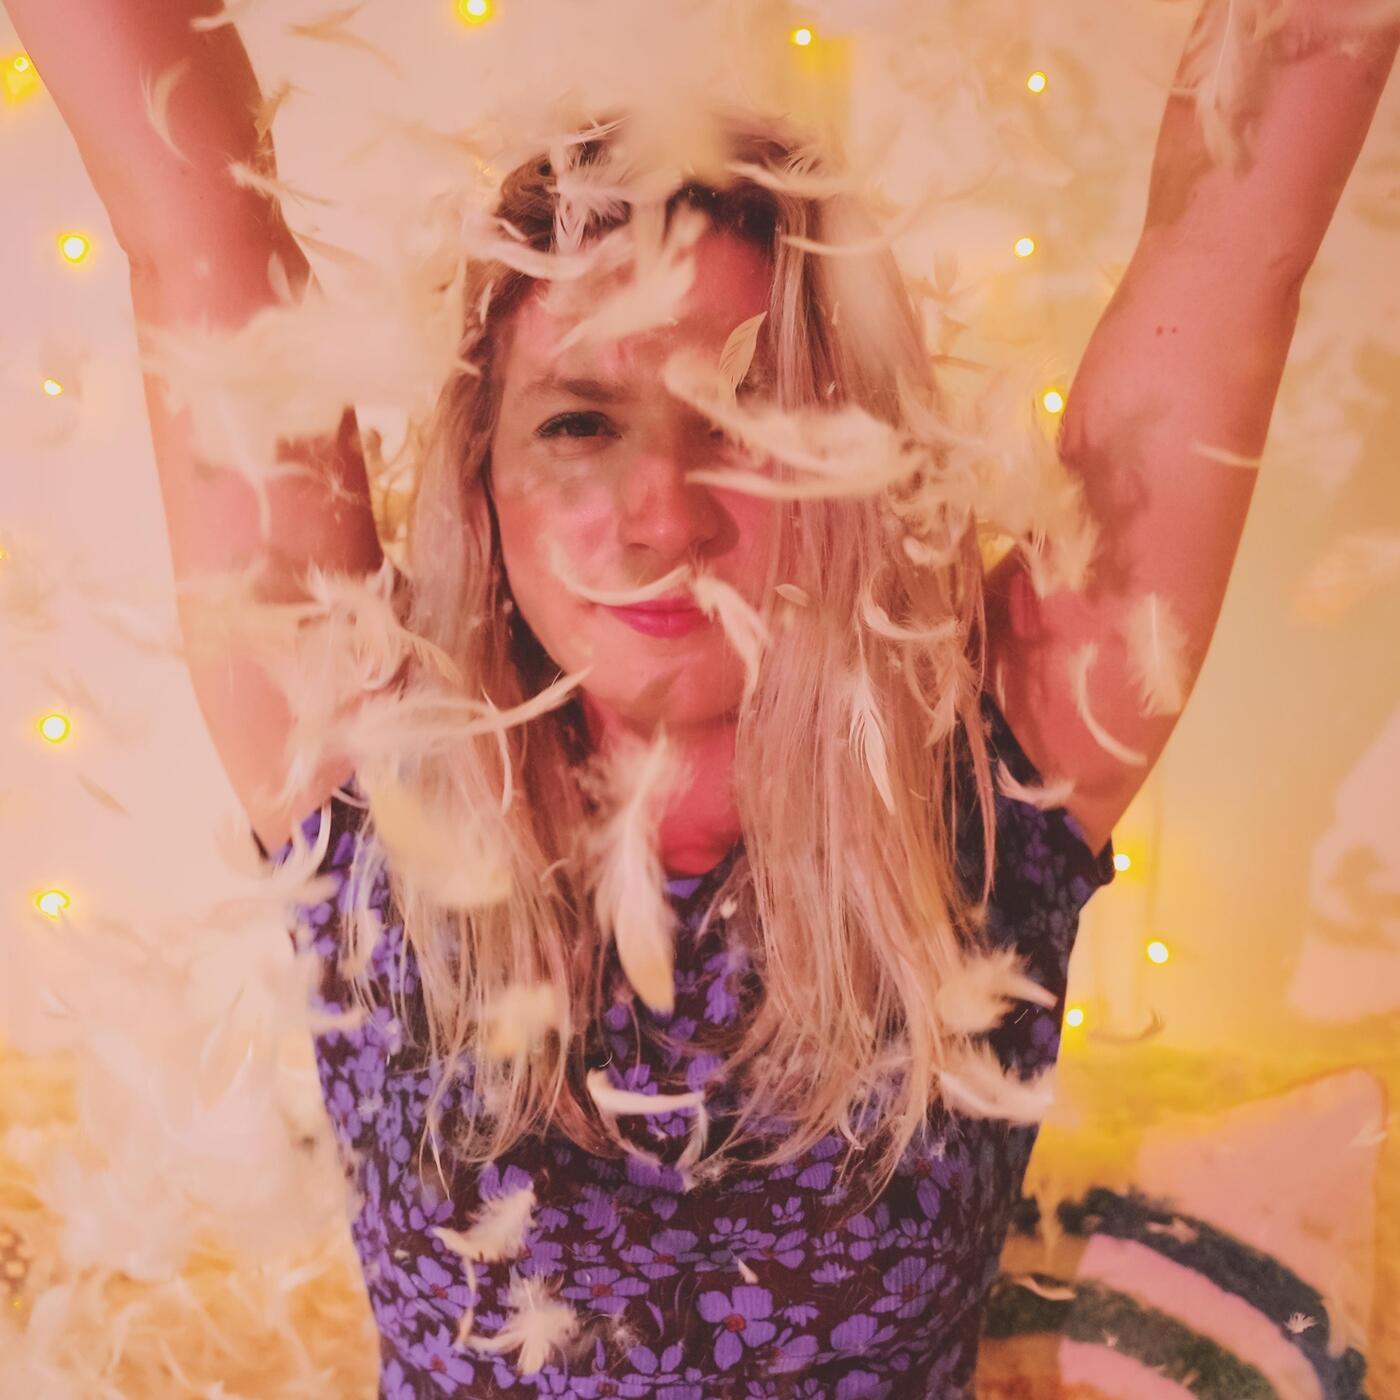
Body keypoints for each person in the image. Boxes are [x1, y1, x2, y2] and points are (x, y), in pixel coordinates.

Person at [7, 0, 1396, 1394]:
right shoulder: (367, 783)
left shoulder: (993, 783)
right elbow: (191, 222)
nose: (662, 512)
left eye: (749, 419)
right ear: (484, 478)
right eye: (578, 421)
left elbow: (1237, 232)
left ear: (859, 461)